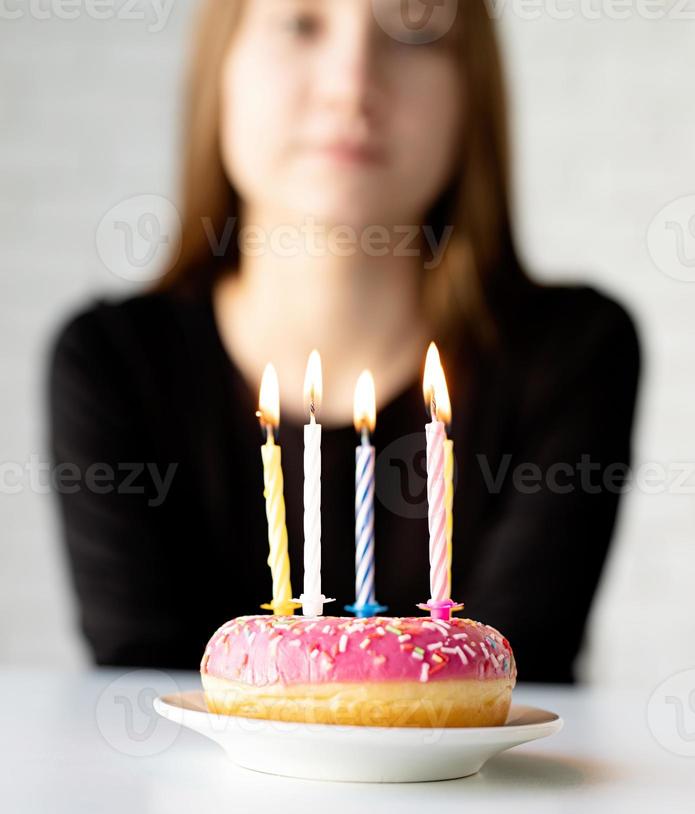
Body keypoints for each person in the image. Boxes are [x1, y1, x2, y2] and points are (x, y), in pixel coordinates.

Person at [48, 0, 640, 682]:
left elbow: (508, 685)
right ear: (221, 69)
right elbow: (141, 692)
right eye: (300, 24)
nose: (352, 82)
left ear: (470, 88)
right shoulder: (116, 362)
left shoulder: (569, 354)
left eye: (414, 32)